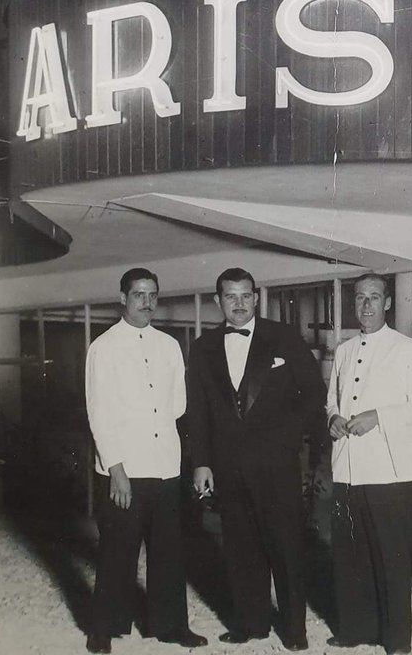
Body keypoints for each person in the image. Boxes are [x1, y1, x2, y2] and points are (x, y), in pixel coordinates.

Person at [186, 268, 326, 648]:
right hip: (227, 463)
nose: (239, 303)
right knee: (240, 546)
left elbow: (314, 393)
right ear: (217, 302)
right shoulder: (202, 348)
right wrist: (201, 462)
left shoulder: (283, 337)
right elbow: (197, 410)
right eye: (230, 296)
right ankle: (252, 623)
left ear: (257, 297)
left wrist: (287, 436)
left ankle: (295, 631)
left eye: (246, 295)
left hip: (277, 461)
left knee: (286, 547)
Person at [84, 267, 206, 654]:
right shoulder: (103, 347)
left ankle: (169, 626)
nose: (147, 302)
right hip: (126, 470)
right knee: (117, 552)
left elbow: (177, 405)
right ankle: (103, 629)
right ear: (123, 298)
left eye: (153, 295)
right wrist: (117, 470)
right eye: (139, 294)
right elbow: (98, 412)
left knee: (168, 553)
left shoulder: (169, 345)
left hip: (165, 466)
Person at [327, 273, 412, 654]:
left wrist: (379, 415)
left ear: (388, 303)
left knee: (390, 558)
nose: (367, 305)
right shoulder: (342, 351)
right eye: (360, 298)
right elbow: (332, 400)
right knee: (350, 555)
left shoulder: (408, 349)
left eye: (374, 298)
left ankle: (395, 639)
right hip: (347, 470)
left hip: (389, 470)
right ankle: (356, 628)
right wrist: (332, 419)